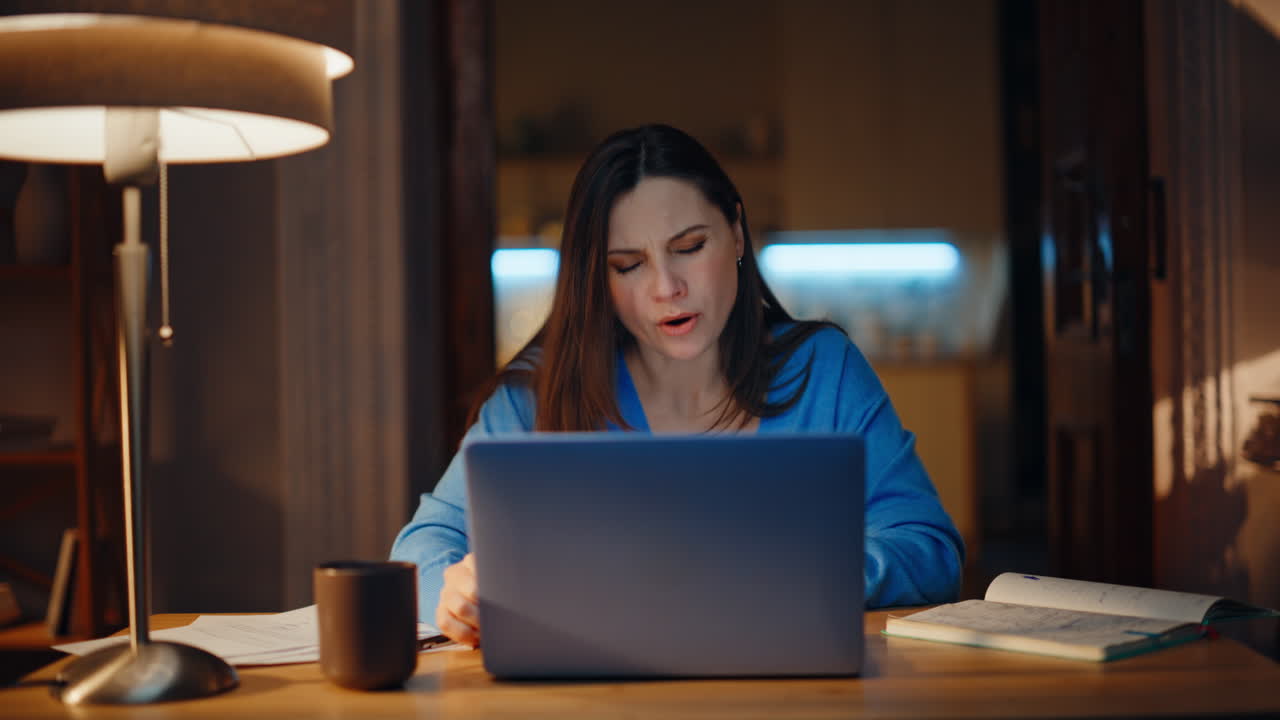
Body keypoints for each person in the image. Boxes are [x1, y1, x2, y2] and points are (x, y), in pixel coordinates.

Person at [390, 124, 963, 647]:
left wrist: (799, 572)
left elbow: (929, 548)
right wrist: (456, 593)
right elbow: (419, 547)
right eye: (627, 265)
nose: (667, 286)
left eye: (690, 248)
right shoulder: (540, 395)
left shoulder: (823, 369)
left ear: (737, 234)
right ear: (597, 277)